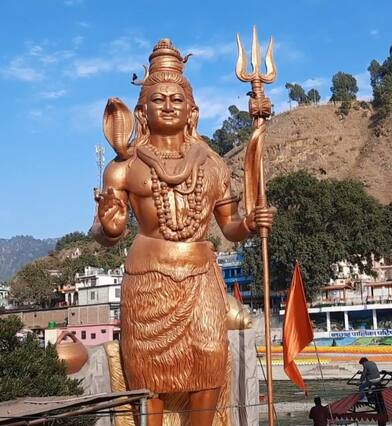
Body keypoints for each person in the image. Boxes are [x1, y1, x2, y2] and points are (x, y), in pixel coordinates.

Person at [92, 39, 274, 426]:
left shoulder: (212, 163)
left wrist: (250, 223)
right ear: (142, 111)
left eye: (177, 99)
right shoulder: (123, 167)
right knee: (148, 374)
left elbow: (229, 226)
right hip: (148, 280)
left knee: (209, 358)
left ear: (192, 110)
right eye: (158, 99)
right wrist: (108, 226)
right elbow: (106, 232)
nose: (168, 105)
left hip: (200, 277)